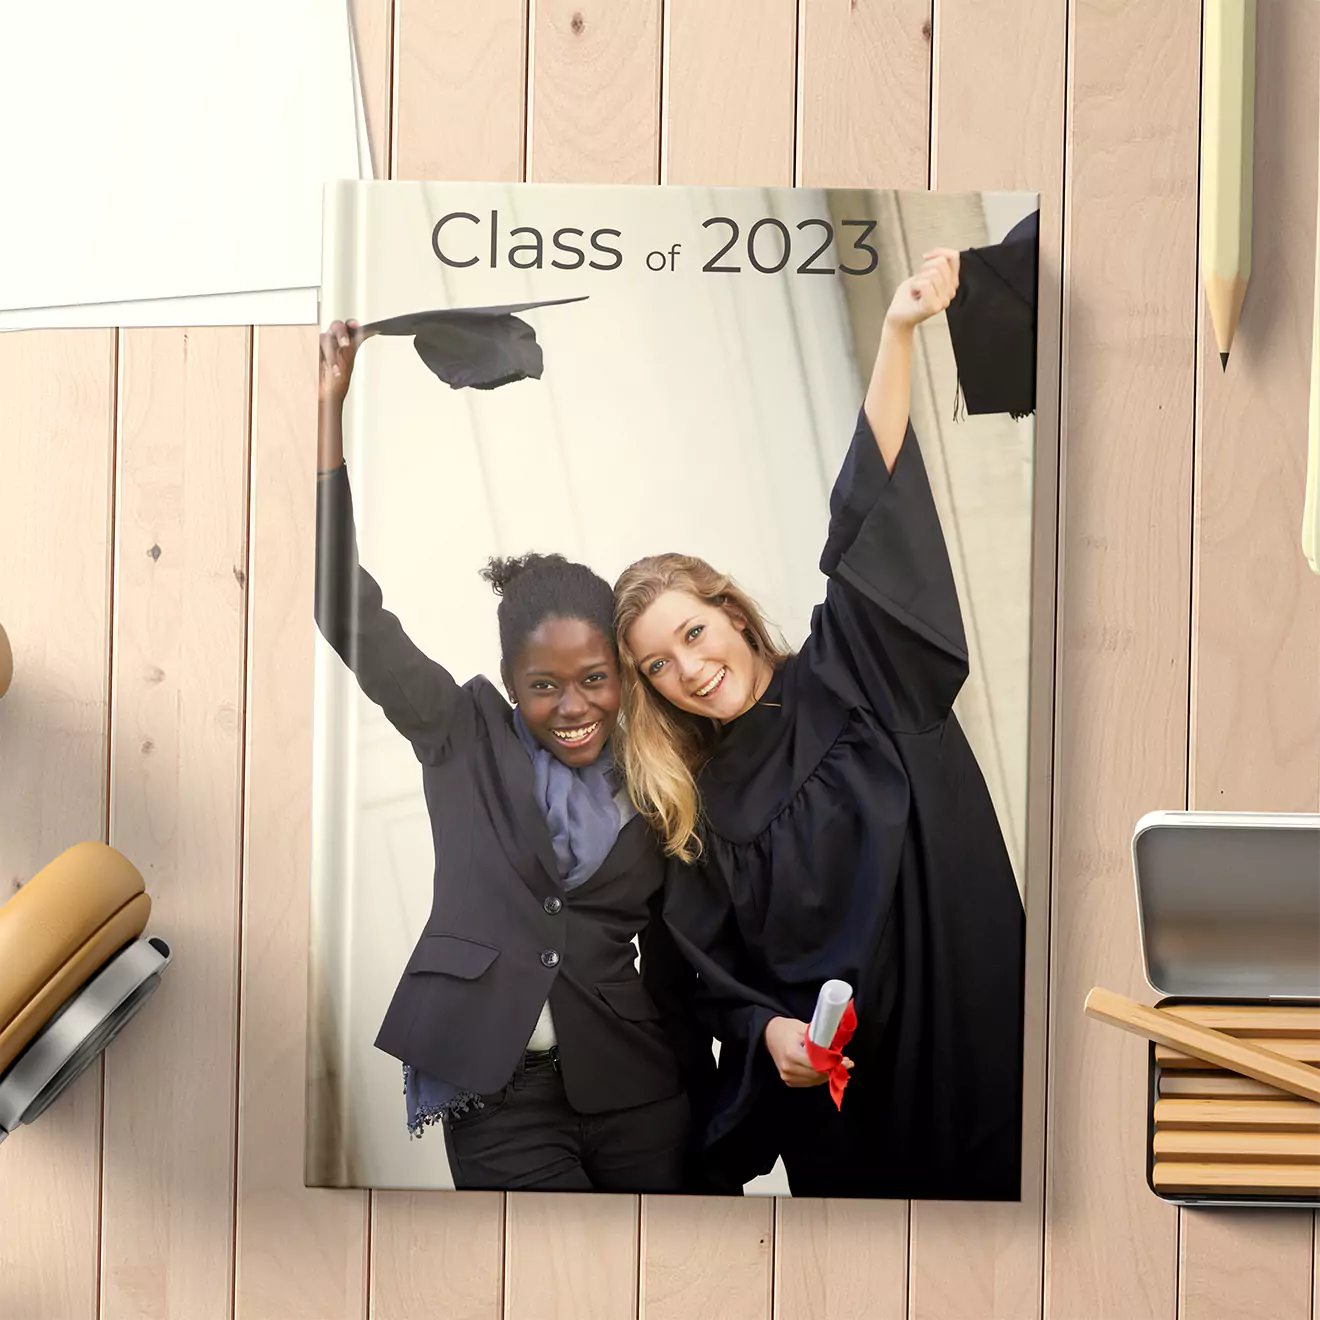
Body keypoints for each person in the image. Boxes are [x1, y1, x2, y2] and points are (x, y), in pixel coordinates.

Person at [612, 251, 1027, 1200]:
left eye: (693, 632)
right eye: (658, 667)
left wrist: (898, 333)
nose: (690, 669)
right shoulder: (700, 812)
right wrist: (772, 1037)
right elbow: (713, 977)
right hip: (854, 1106)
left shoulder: (855, 673)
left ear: (732, 612)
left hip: (969, 1030)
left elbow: (868, 507)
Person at [314, 319, 710, 1193]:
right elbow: (341, 603)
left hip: (638, 1089)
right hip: (499, 1097)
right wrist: (327, 415)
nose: (573, 708)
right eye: (544, 687)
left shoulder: (659, 760)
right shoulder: (457, 731)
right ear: (508, 680)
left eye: (595, 679)